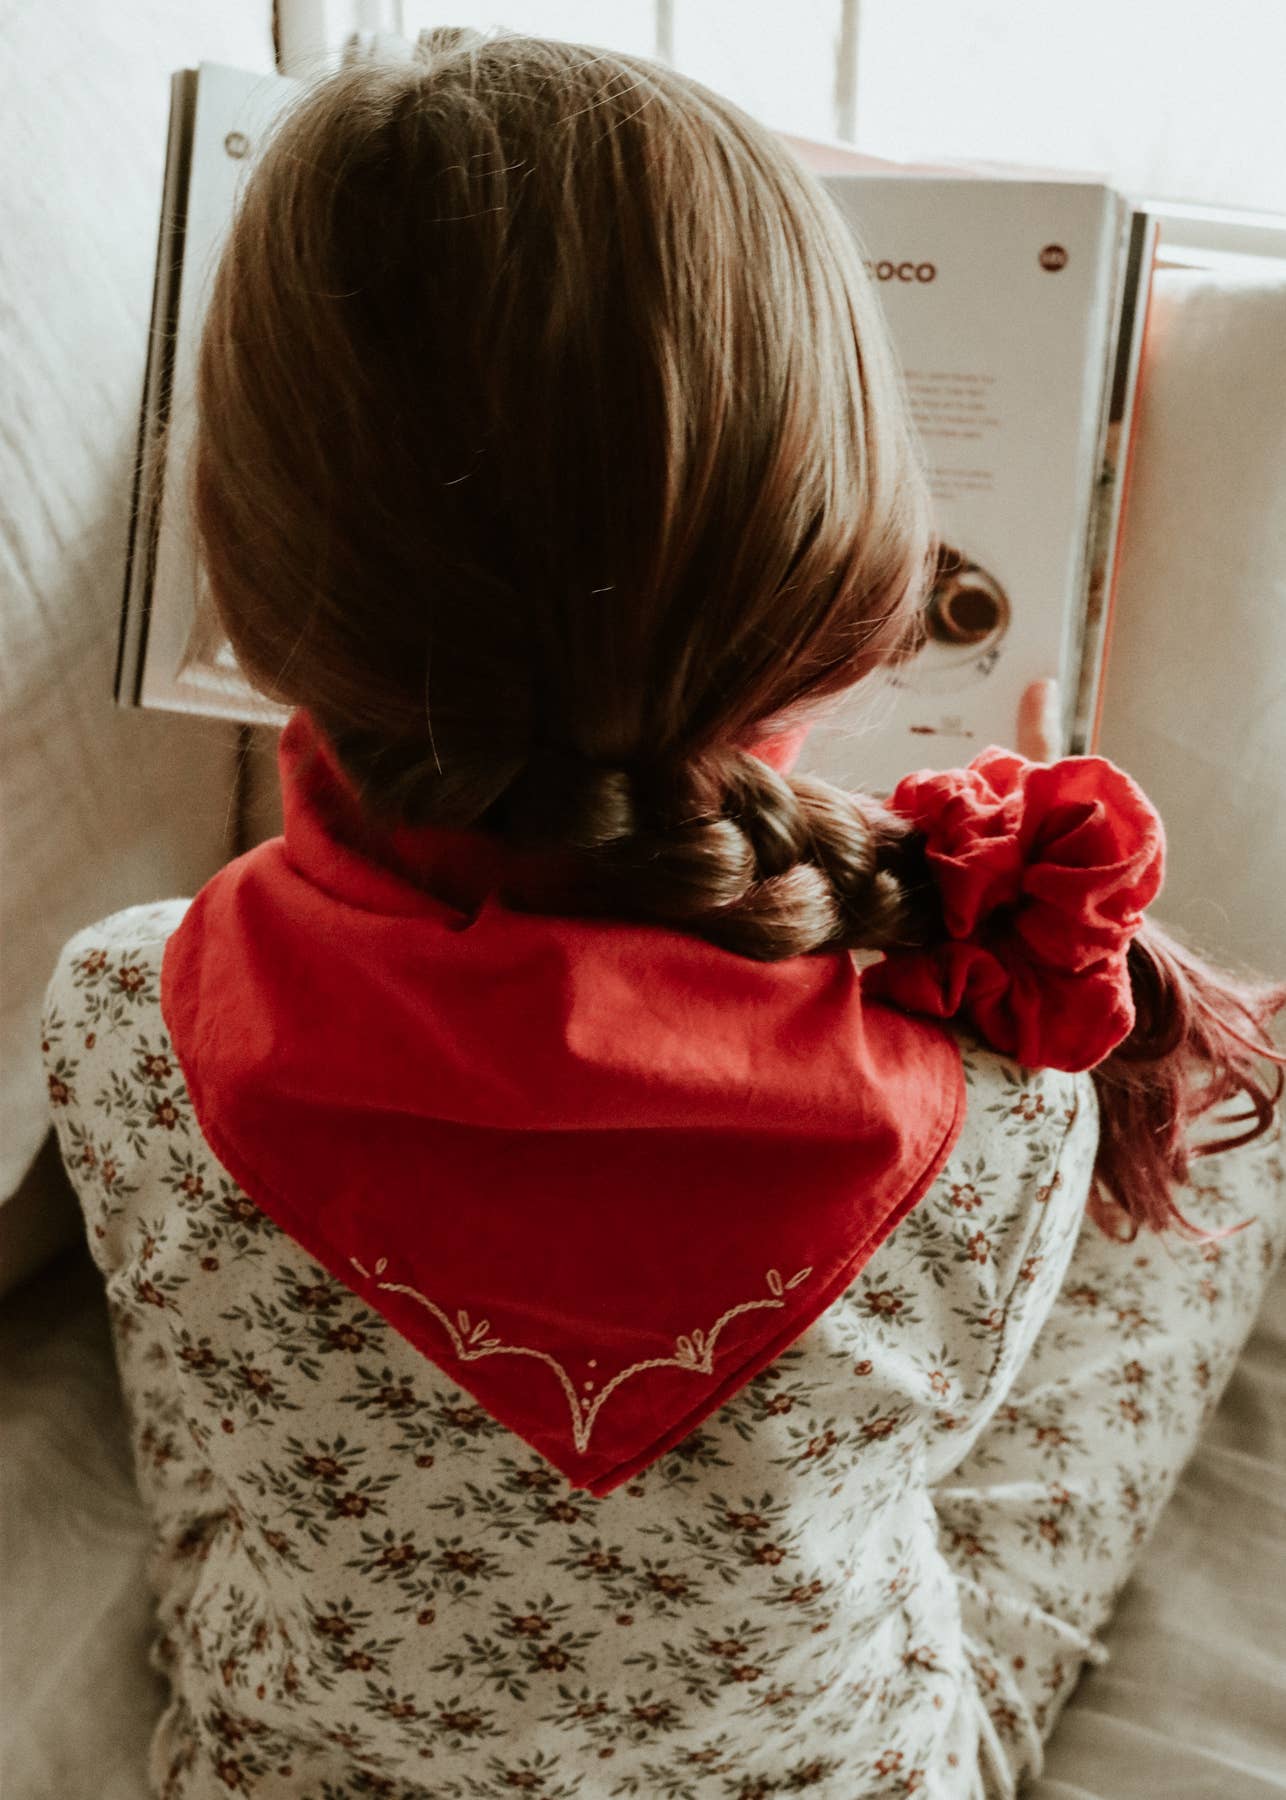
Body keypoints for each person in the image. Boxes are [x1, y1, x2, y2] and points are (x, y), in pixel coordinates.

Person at [41, 30, 1286, 1800]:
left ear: (248, 559)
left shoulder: (117, 1017)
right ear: (844, 558)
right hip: (826, 1768)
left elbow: (208, 1446)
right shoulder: (999, 1103)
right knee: (1230, 1162)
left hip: (288, 1759)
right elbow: (925, 1471)